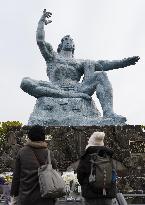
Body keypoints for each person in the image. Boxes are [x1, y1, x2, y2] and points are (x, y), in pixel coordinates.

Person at [21, 9, 140, 122]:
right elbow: (40, 41)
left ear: (73, 46)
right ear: (60, 45)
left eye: (70, 40)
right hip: (55, 87)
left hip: (78, 88)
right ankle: (69, 95)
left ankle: (109, 113)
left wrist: (123, 63)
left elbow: (103, 64)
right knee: (25, 82)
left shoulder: (80, 62)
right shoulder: (53, 56)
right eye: (65, 40)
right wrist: (41, 22)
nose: (68, 41)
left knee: (100, 74)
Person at [10, 125, 57, 205]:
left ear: (29, 136)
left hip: (26, 198)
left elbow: (16, 177)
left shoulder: (22, 152)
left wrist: (14, 195)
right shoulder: (48, 153)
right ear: (43, 137)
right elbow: (54, 172)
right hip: (45, 198)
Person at [77, 131, 116, 205]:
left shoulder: (87, 157)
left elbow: (80, 176)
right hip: (107, 194)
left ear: (91, 143)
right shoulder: (108, 156)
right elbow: (113, 174)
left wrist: (86, 184)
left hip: (91, 194)